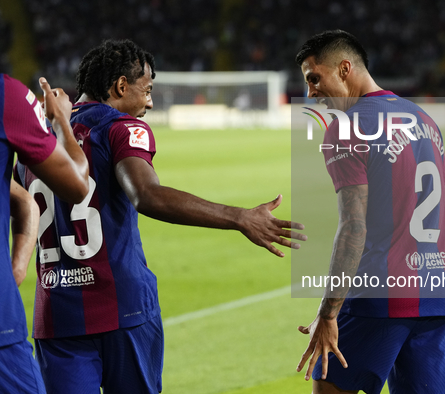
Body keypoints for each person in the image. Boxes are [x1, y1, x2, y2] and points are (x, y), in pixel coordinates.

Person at [15, 39, 306, 394]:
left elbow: (20, 210)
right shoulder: (120, 128)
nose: (150, 102)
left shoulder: (37, 139)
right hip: (121, 308)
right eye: (147, 90)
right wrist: (239, 217)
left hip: (55, 313)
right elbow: (147, 195)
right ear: (121, 86)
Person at [294, 30, 445, 394]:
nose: (310, 94)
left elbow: (354, 226)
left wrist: (329, 313)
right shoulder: (424, 119)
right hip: (439, 296)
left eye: (314, 79)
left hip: (379, 297)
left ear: (345, 68)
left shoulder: (347, 127)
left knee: (330, 387)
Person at [1, 73, 89, 393]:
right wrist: (61, 120)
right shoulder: (8, 95)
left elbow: (24, 200)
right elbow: (78, 186)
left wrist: (16, 270)